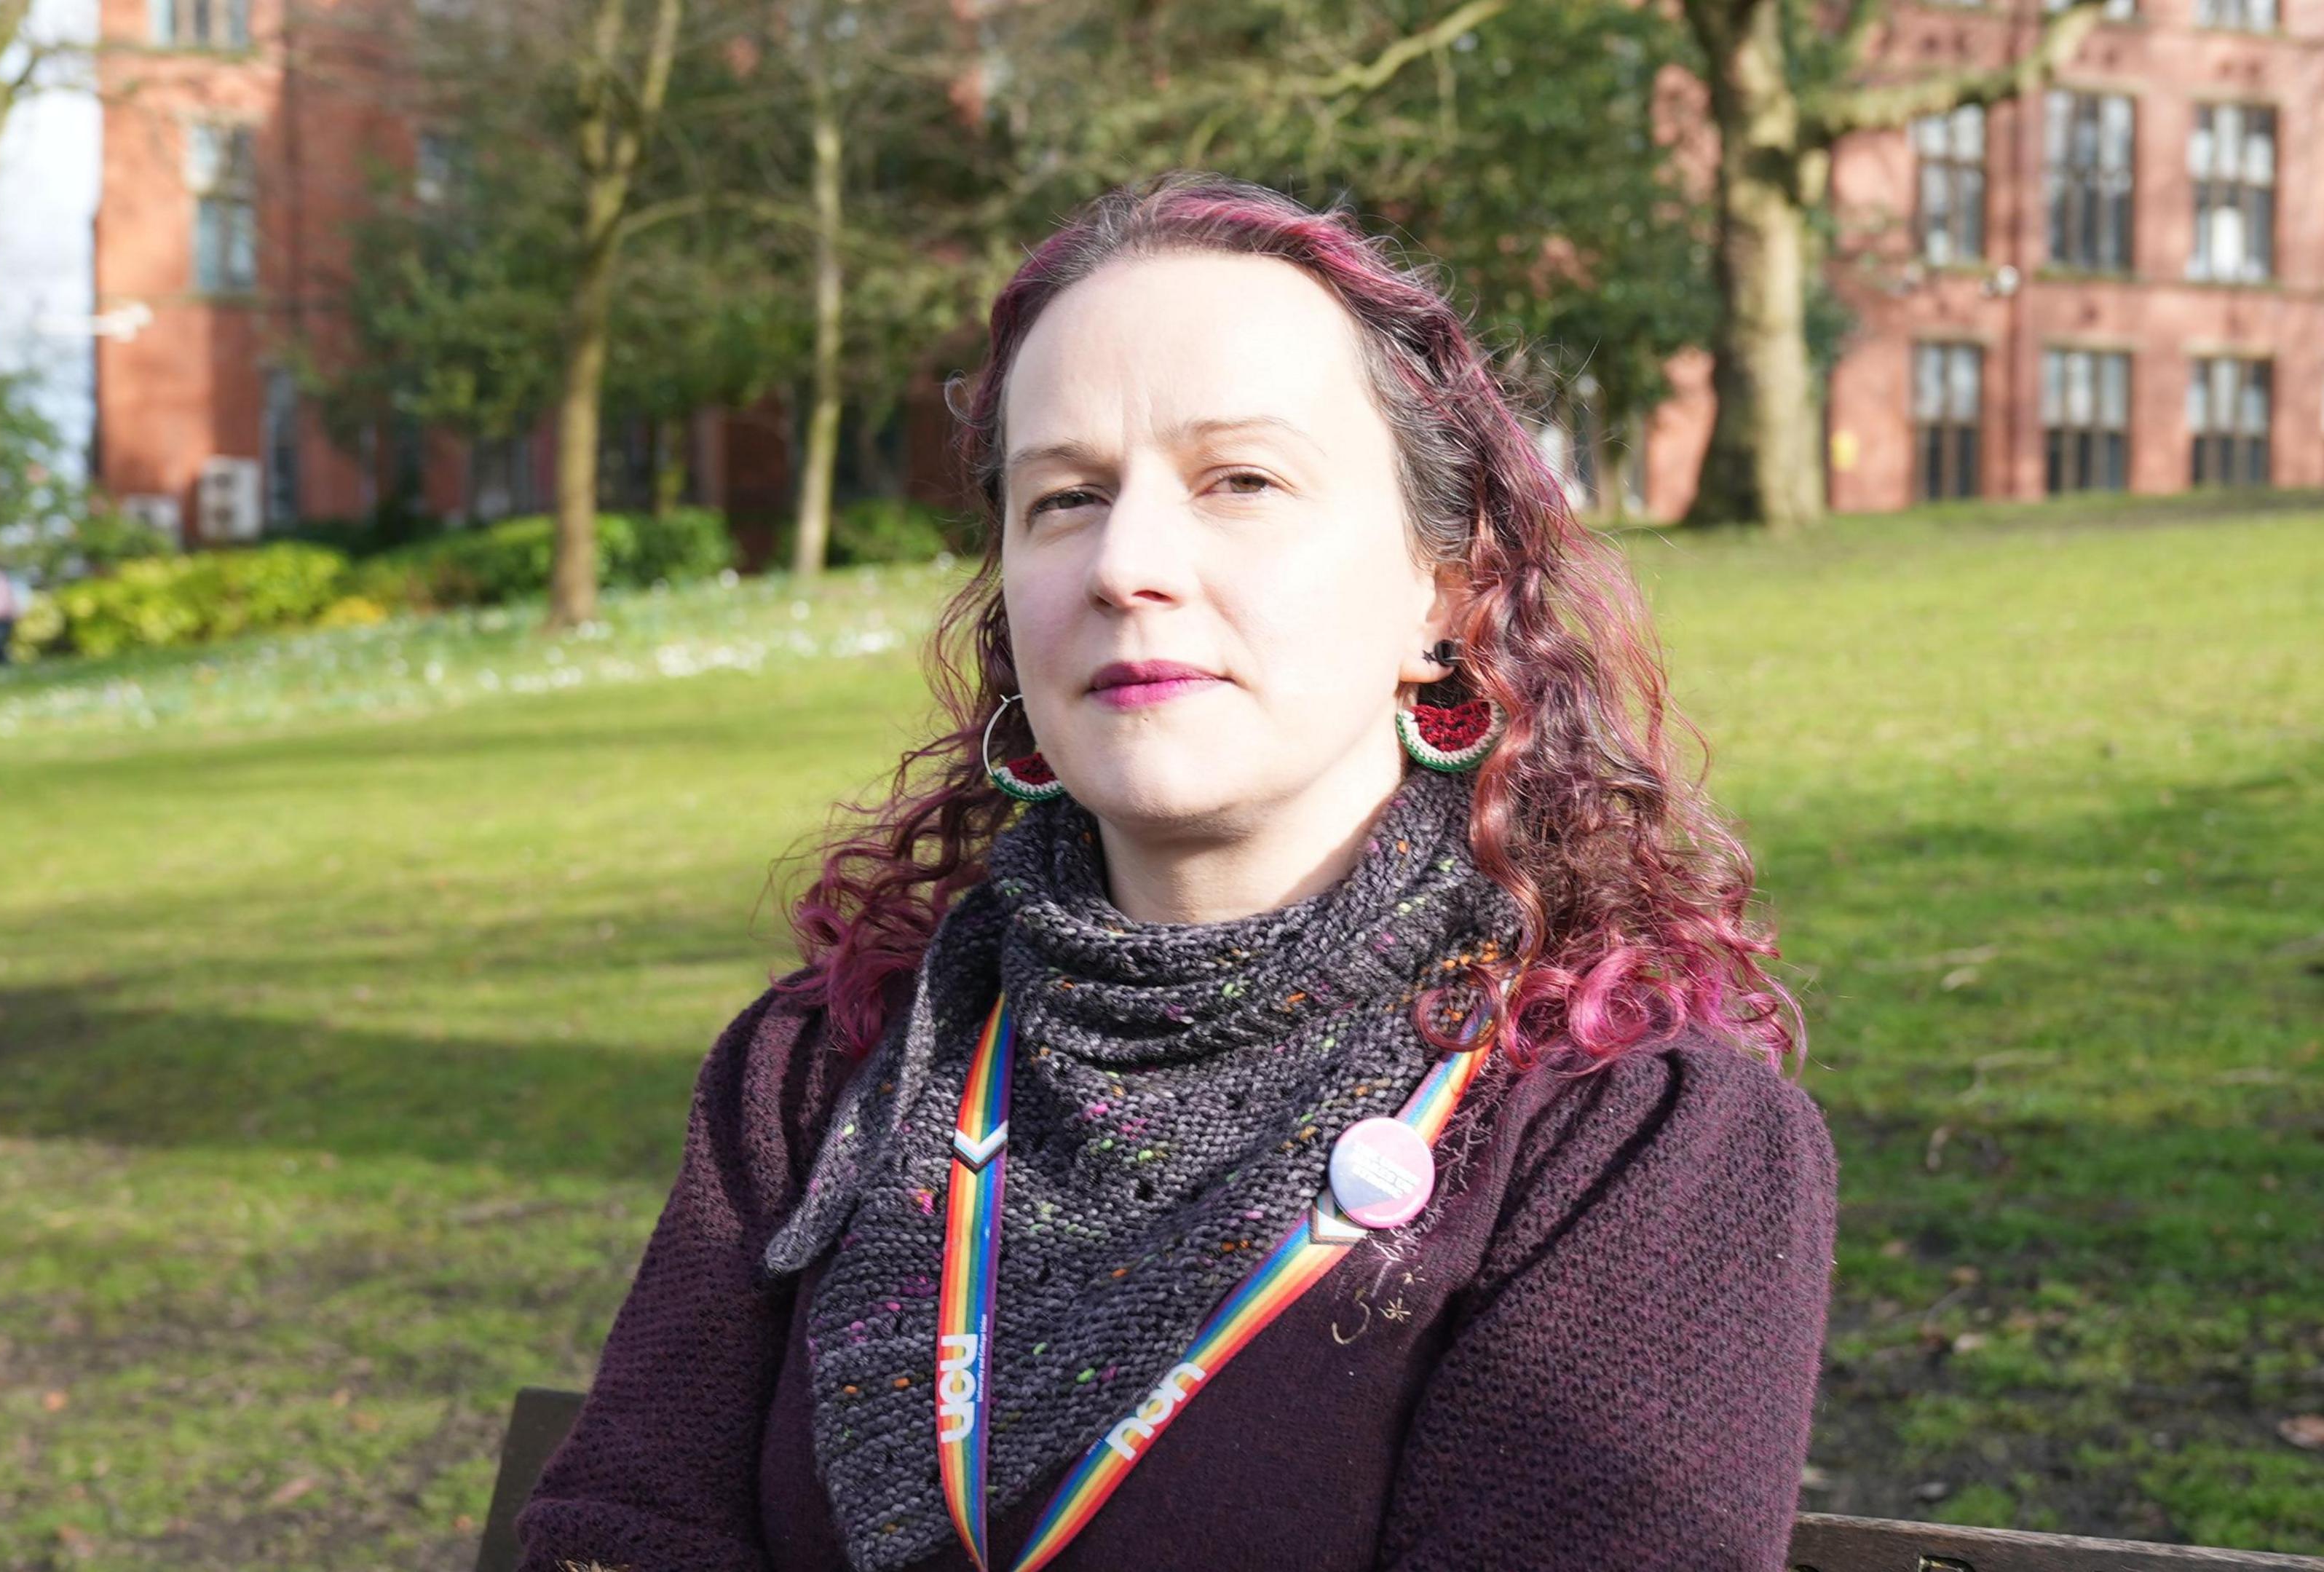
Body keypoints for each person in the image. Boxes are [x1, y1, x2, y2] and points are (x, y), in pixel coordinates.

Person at [514, 173, 1838, 1572]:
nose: (1127, 562)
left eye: (1242, 481)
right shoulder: (821, 1072)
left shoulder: (1628, 1141)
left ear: (1444, 597)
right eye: (1066, 497)